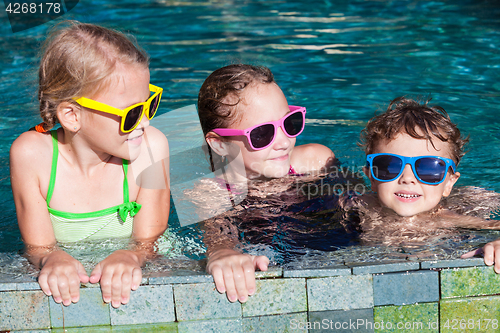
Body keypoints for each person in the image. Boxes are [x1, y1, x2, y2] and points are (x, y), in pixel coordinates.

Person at [9, 21, 170, 308]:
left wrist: (133, 255)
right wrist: (51, 257)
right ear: (72, 116)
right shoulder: (31, 155)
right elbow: (38, 247)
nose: (145, 122)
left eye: (149, 104)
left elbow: (150, 241)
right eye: (132, 113)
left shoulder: (152, 148)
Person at [197, 64, 336, 303]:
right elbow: (217, 236)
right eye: (262, 133)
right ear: (219, 144)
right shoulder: (212, 191)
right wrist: (223, 252)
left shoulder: (316, 162)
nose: (283, 142)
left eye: (290, 123)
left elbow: (358, 209)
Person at [357, 96, 500, 270]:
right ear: (371, 176)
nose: (407, 178)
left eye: (428, 168)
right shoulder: (357, 207)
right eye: (390, 165)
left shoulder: (447, 219)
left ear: (449, 183)